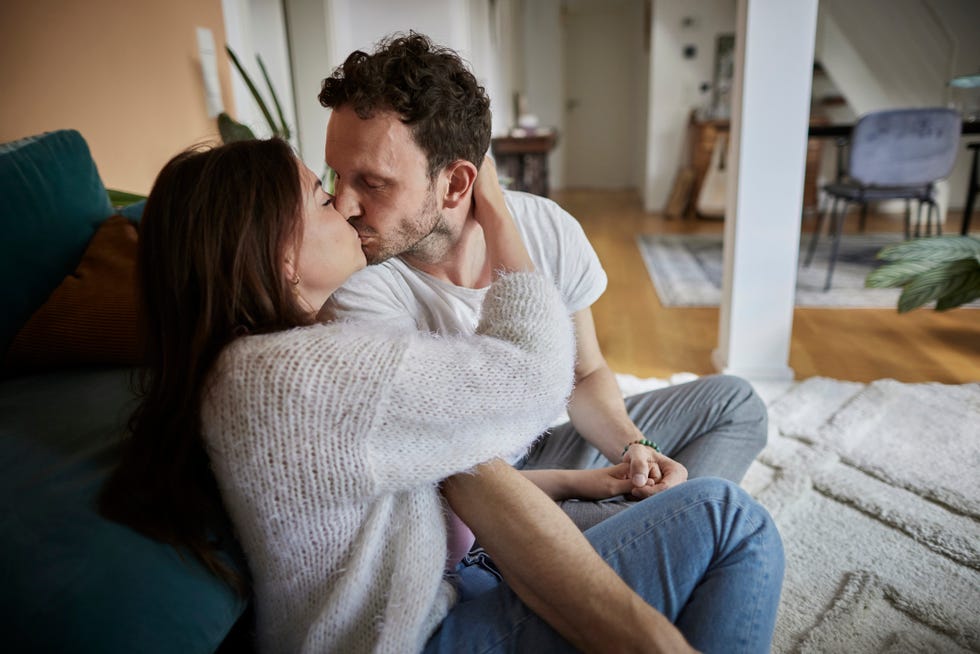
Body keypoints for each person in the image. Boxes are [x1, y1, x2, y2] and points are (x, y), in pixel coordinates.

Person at [100, 137, 783, 653]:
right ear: (281, 256)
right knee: (727, 517)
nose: (343, 201)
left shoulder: (255, 369)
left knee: (719, 437)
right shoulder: (288, 377)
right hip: (425, 639)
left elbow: (437, 466)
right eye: (321, 194)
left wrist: (585, 474)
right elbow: (534, 374)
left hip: (452, 585)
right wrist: (500, 215)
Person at [318, 32, 769, 528]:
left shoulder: (546, 226)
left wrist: (634, 446)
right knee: (719, 517)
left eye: (372, 183)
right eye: (337, 176)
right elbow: (438, 477)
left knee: (737, 403)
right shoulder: (357, 281)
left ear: (459, 183)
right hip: (476, 508)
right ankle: (655, 534)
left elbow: (584, 374)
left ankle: (648, 530)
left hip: (541, 453)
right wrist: (584, 486)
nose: (343, 205)